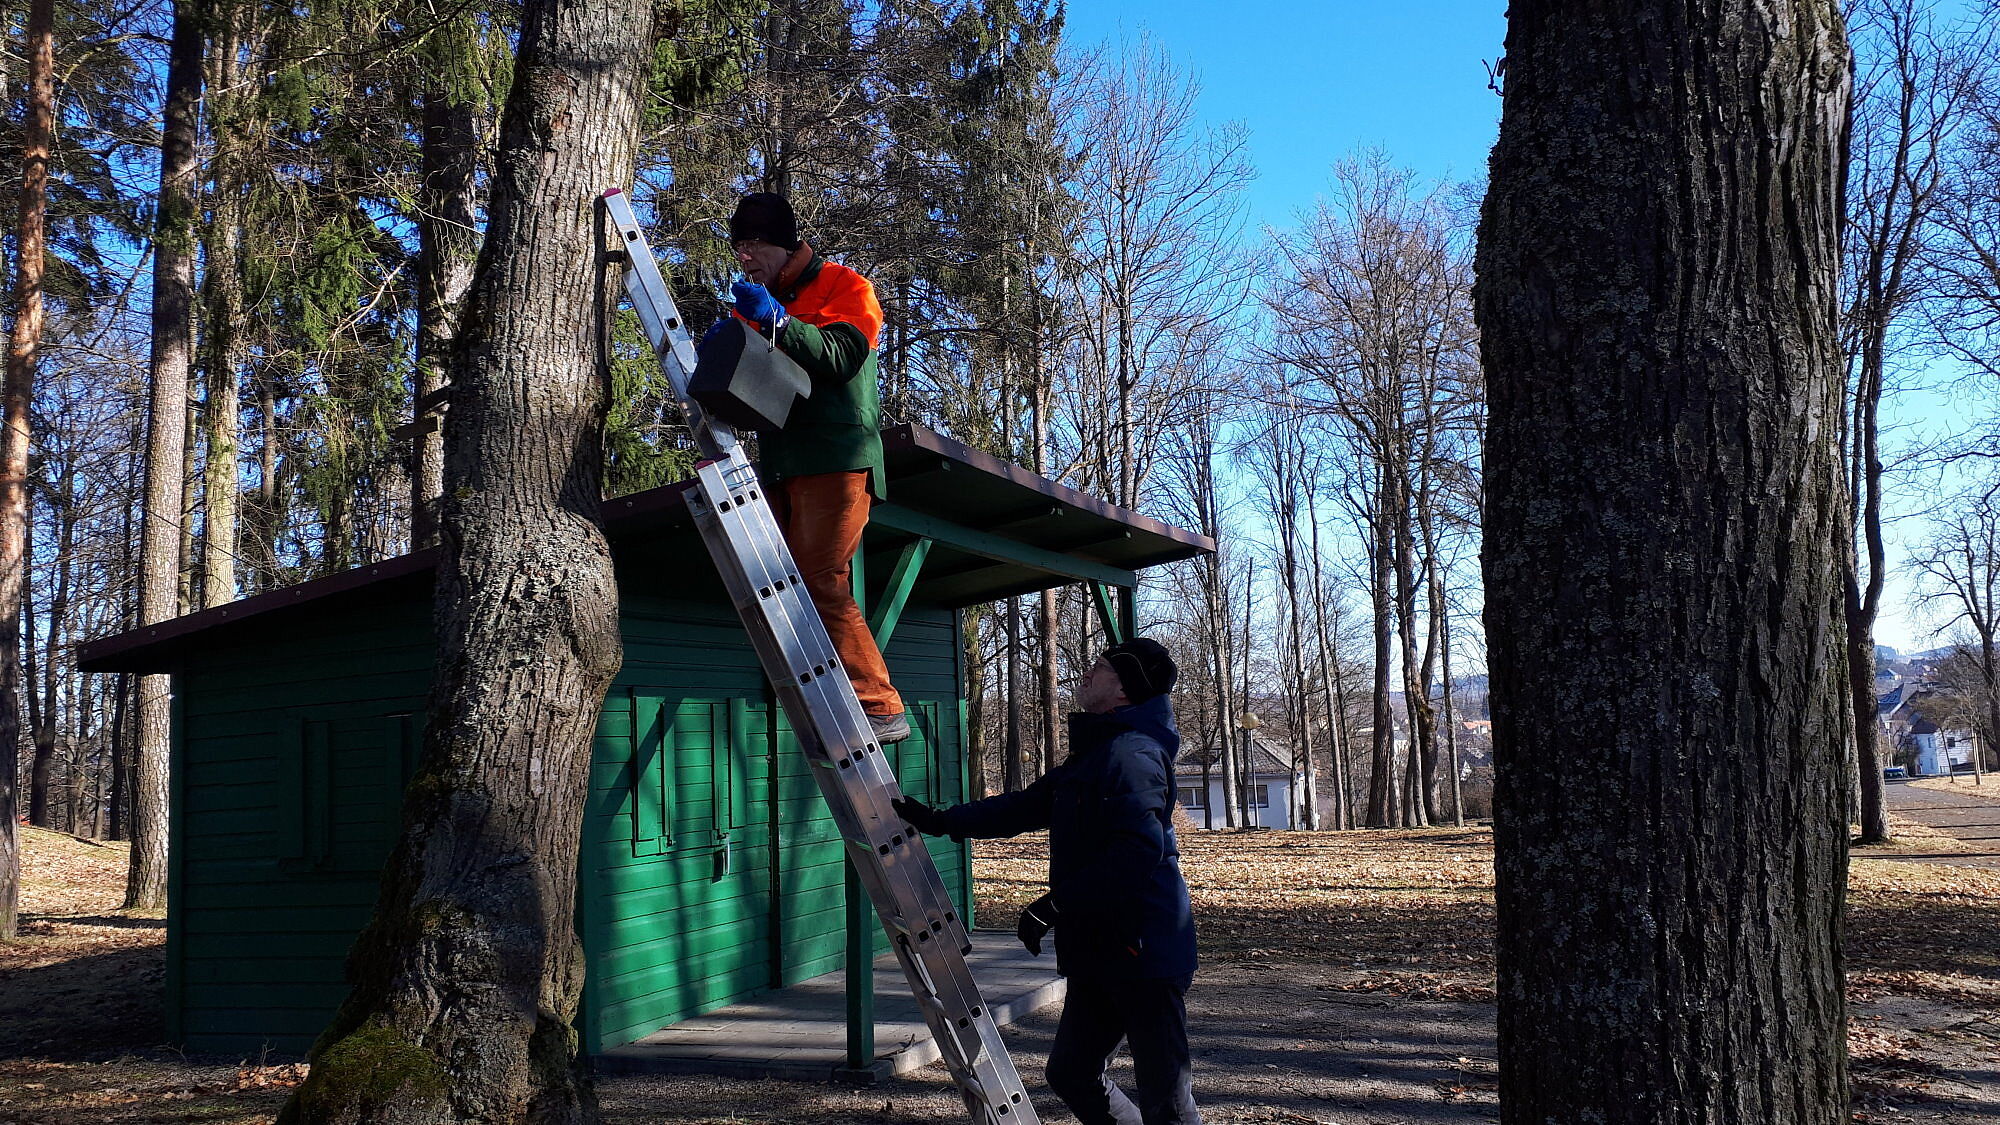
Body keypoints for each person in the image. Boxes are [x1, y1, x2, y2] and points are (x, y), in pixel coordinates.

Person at [894, 637, 1200, 1125]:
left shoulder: (1132, 755)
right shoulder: (1098, 752)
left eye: (1098, 668)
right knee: (1073, 1071)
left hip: (1145, 951)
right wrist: (940, 821)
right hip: (1101, 951)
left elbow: (1137, 852)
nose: (1086, 673)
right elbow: (1024, 805)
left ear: (1123, 690)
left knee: (1166, 1098)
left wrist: (1056, 905)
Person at [709, 191, 909, 744]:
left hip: (837, 458)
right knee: (782, 585)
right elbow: (755, 387)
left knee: (821, 577)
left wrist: (779, 325)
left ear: (782, 242)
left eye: (752, 245)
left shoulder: (846, 285)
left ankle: (880, 704)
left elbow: (843, 358)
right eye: (737, 247)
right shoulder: (753, 301)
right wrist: (722, 356)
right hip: (781, 462)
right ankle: (829, 697)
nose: (744, 257)